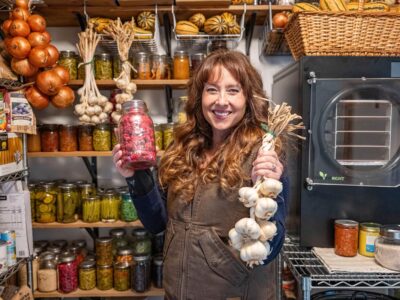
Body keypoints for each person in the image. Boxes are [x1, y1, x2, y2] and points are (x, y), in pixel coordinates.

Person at [112, 50, 289, 300]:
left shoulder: (263, 153)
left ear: (249, 97)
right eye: (212, 89)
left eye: (233, 90)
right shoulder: (183, 149)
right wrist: (135, 176)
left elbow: (272, 245)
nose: (221, 101)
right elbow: (157, 223)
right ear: (200, 96)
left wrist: (273, 187)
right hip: (178, 291)